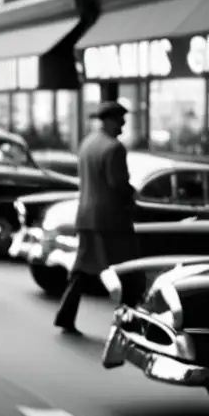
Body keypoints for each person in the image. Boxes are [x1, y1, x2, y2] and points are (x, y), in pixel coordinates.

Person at [54, 101, 137, 334]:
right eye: (121, 120)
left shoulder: (88, 143)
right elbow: (117, 184)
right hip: (110, 220)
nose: (123, 124)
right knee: (127, 272)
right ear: (111, 120)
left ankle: (65, 315)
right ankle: (130, 324)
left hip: (87, 217)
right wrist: (133, 196)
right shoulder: (114, 148)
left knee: (81, 270)